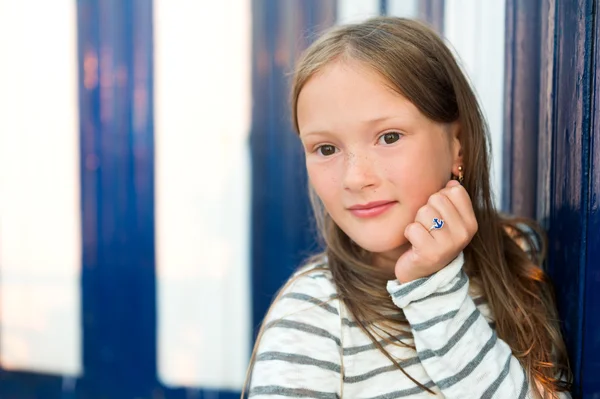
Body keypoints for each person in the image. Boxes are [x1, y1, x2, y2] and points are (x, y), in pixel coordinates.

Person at [243, 17, 571, 398]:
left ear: (457, 145)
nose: (354, 178)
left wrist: (434, 287)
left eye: (389, 137)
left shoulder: (520, 256)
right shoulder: (311, 314)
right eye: (326, 149)